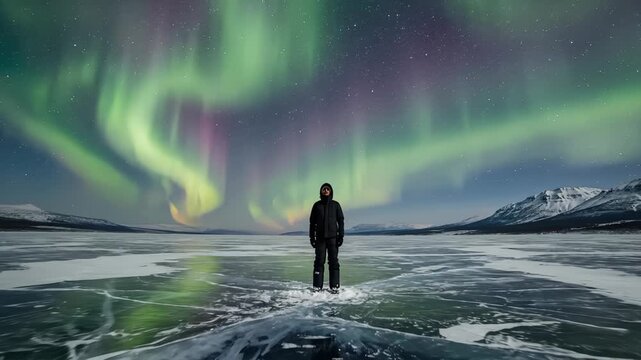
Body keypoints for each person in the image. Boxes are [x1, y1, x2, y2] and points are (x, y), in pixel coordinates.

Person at [309, 183, 344, 293]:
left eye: (327, 189)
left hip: (333, 238)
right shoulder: (317, 205)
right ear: (321, 191)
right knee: (319, 261)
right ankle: (317, 286)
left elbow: (340, 221)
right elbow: (312, 223)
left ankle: (334, 286)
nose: (326, 190)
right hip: (320, 239)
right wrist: (312, 238)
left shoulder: (336, 205)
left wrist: (341, 236)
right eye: (324, 189)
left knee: (333, 262)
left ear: (331, 191)